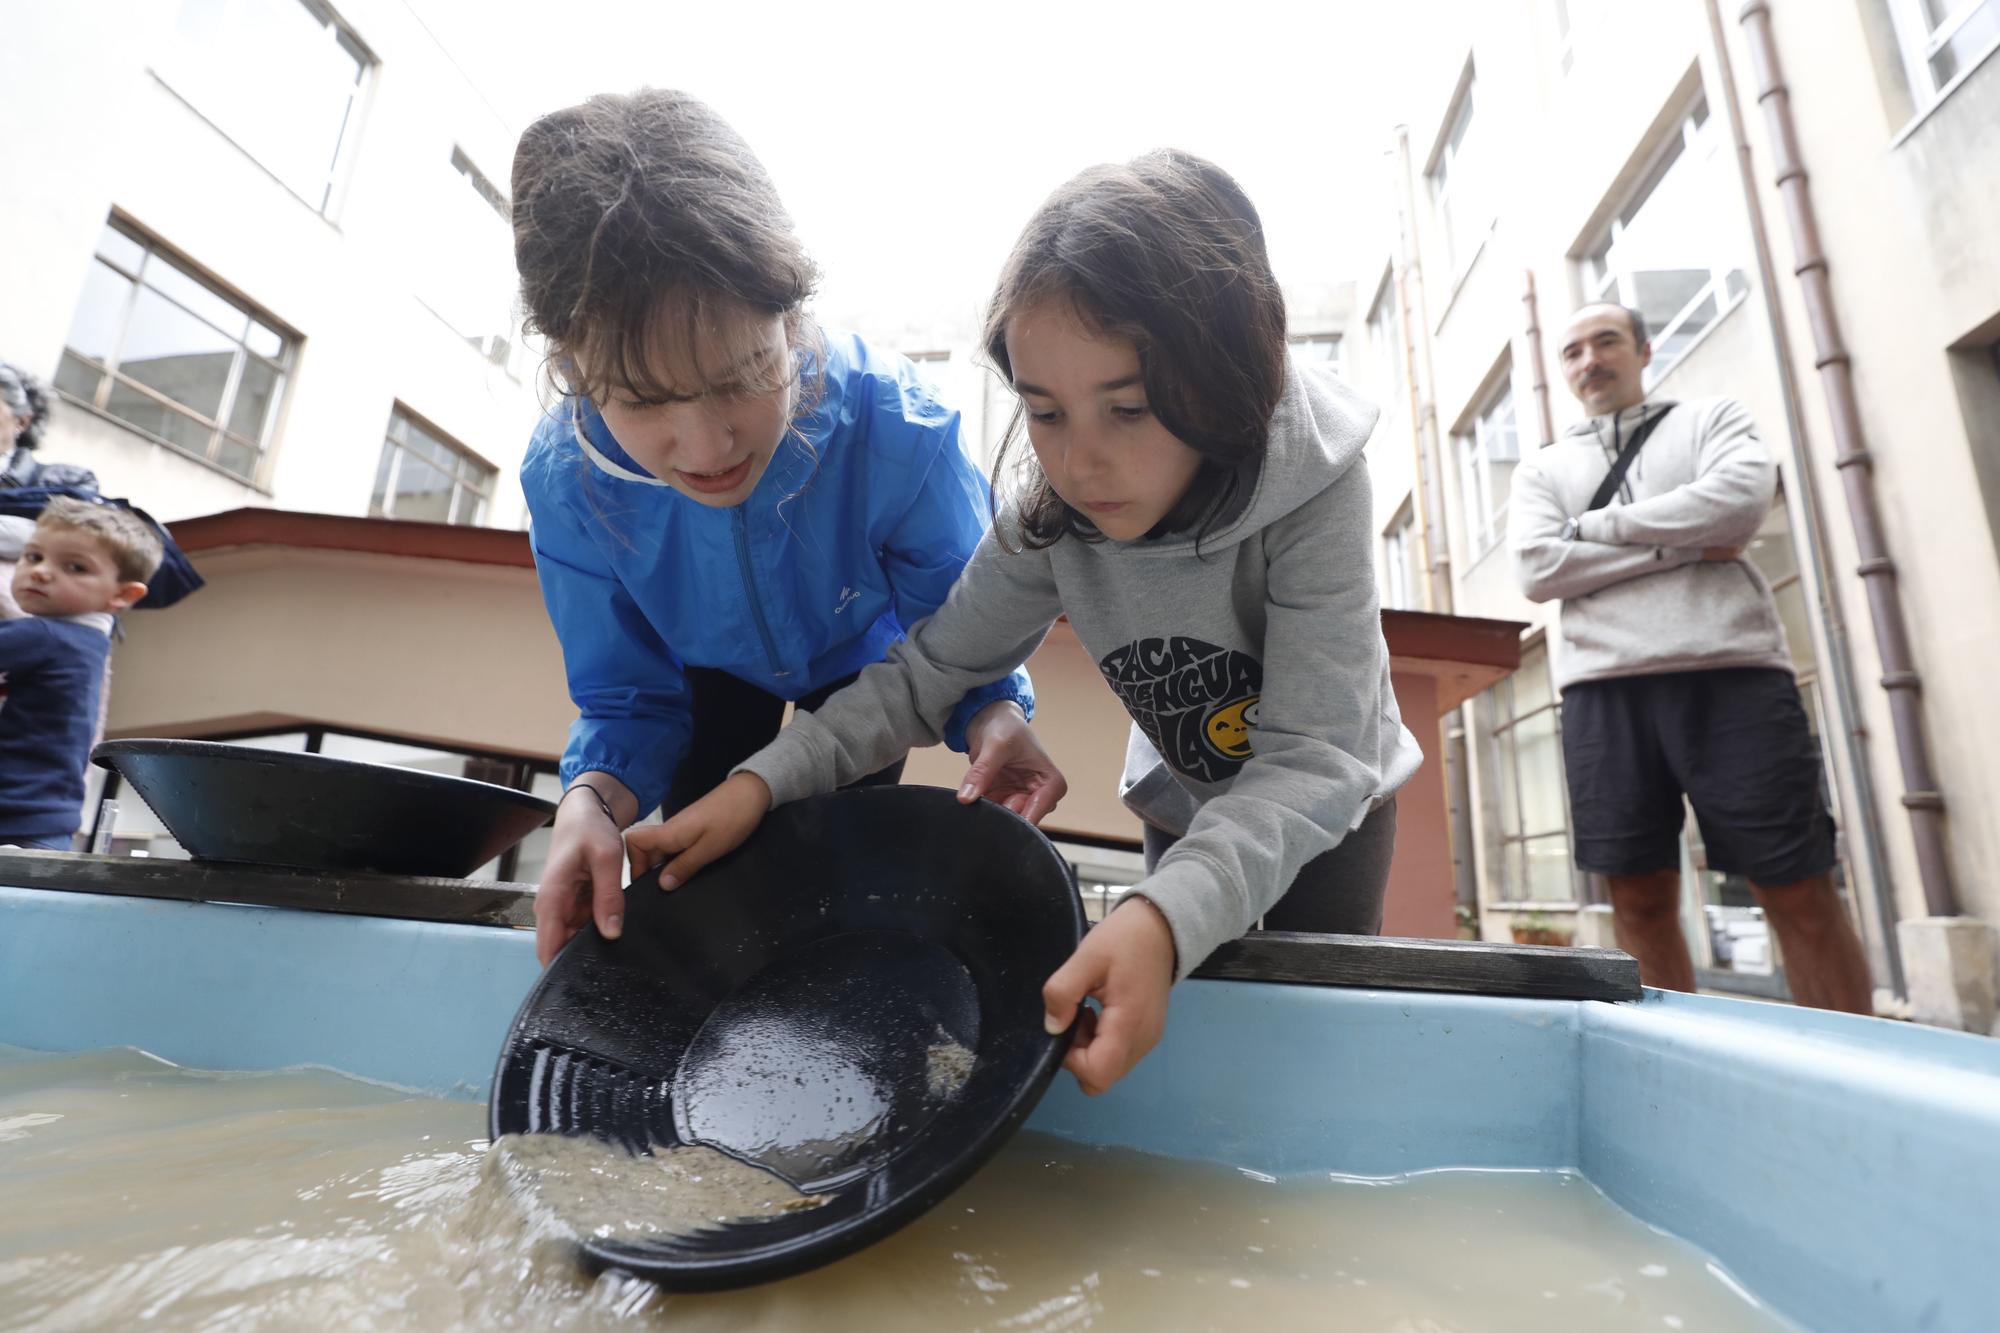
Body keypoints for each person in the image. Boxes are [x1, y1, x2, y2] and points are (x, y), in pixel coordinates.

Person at [630, 150, 1422, 1096]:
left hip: (1333, 807)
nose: (1081, 462)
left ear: (1224, 377)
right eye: (1045, 412)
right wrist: (759, 785)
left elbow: (1314, 758)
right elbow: (923, 675)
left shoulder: (1318, 484)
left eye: (1126, 409)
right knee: (1186, 1033)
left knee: (1310, 1050)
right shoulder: (1053, 517)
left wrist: (1161, 917)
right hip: (1183, 796)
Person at [511, 89, 1056, 967]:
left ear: (791, 319)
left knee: (838, 862)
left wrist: (991, 713)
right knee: (698, 866)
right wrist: (591, 803)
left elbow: (956, 629)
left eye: (742, 373)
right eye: (646, 401)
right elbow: (626, 696)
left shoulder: (893, 429)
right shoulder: (572, 482)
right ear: (571, 369)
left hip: (865, 662)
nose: (708, 444)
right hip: (706, 673)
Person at [1508, 302, 1872, 1013]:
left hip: (1731, 675)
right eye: (1573, 350)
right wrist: (1681, 543)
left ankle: (1857, 1072)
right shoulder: (1543, 468)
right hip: (1602, 692)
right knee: (1637, 899)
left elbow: (1739, 505)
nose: (1590, 360)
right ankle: (1674, 1070)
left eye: (1606, 341)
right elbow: (1535, 567)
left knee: (1796, 886)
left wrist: (1592, 529)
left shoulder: (1712, 420)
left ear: (1644, 350)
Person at [0, 496, 160, 850]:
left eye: (75, 567)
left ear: (122, 594)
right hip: (45, 820)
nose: (40, 571)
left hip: (12, 816)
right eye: (33, 556)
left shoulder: (45, 636)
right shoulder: (89, 642)